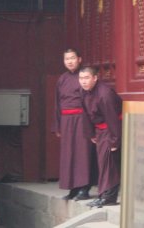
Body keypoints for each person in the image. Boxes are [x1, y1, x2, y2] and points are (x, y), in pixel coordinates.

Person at [52, 48, 96, 200]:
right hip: (66, 120)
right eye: (66, 59)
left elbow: (91, 100)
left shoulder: (84, 77)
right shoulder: (62, 79)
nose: (69, 61)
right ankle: (73, 187)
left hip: (82, 119)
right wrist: (57, 125)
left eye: (72, 58)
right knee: (69, 154)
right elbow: (57, 103)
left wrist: (92, 123)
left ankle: (84, 187)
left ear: (79, 59)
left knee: (83, 154)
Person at [79, 66, 122, 208]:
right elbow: (86, 114)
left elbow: (112, 118)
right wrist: (90, 133)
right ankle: (103, 195)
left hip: (110, 130)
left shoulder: (105, 94)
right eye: (81, 78)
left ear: (95, 78)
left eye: (86, 78)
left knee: (109, 163)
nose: (83, 82)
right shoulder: (84, 92)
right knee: (102, 163)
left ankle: (109, 197)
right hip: (99, 131)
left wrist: (115, 140)